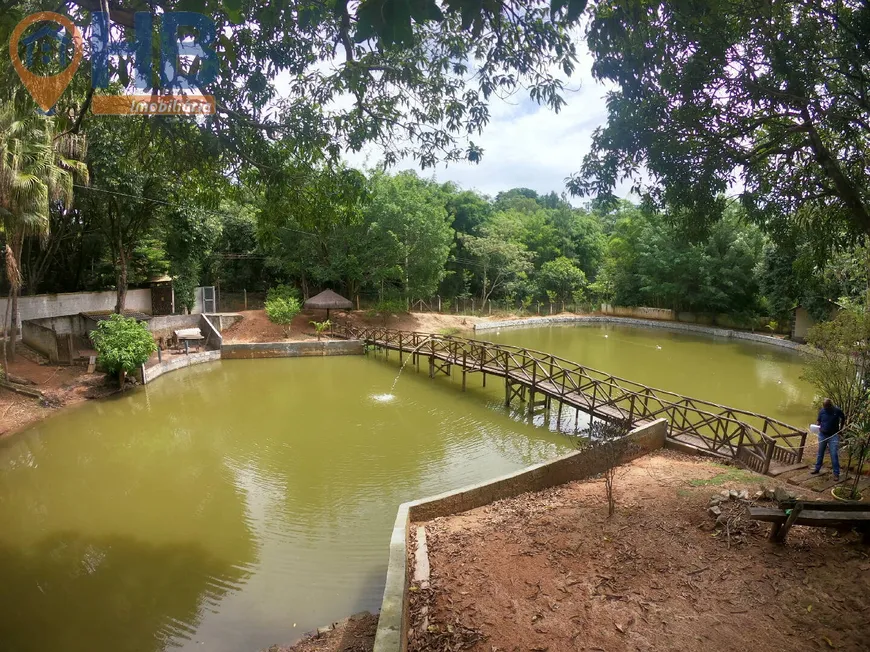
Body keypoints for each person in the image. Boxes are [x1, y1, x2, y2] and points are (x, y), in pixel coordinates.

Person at [811, 398, 845, 480]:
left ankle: (836, 473)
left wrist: (840, 429)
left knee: (833, 454)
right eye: (824, 407)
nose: (825, 408)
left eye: (827, 407)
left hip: (833, 436)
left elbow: (843, 417)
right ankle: (817, 468)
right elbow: (819, 421)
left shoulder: (837, 410)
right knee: (820, 453)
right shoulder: (822, 411)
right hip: (822, 435)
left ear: (830, 405)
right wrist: (817, 426)